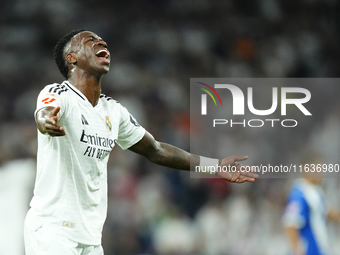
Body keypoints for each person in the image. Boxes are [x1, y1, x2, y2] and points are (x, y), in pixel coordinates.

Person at [24, 29, 258, 255]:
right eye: (90, 40)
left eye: (102, 40)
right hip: (53, 230)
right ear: (71, 57)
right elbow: (45, 111)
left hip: (90, 239)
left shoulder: (113, 111)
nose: (101, 43)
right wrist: (45, 120)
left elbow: (156, 150)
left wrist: (214, 166)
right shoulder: (59, 93)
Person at [283, 157, 340, 255]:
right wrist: (298, 250)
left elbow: (326, 212)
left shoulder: (316, 191)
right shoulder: (299, 193)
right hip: (309, 250)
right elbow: (290, 224)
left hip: (319, 249)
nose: (321, 173)